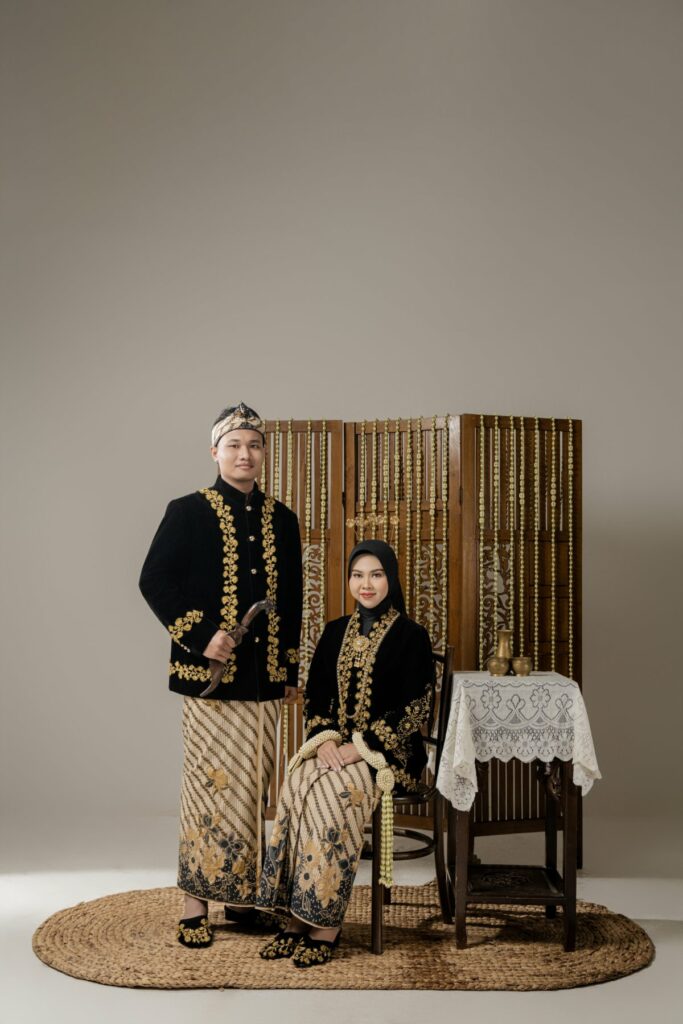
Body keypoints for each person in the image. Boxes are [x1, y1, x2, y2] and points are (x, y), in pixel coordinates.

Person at [139, 402, 303, 948]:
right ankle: (195, 903)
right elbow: (154, 580)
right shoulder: (186, 511)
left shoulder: (283, 519)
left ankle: (241, 898)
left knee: (254, 791)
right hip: (208, 680)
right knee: (207, 789)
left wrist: (289, 669)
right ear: (215, 452)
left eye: (254, 445)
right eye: (234, 445)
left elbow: (293, 600)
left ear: (264, 453)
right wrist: (202, 634)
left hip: (263, 681)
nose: (244, 454)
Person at [256, 539, 433, 968]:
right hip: (335, 748)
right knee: (298, 784)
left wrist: (363, 747)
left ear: (391, 579)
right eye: (357, 575)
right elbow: (317, 699)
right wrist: (327, 740)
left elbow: (415, 707)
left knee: (336, 796)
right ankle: (295, 916)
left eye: (376, 574)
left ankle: (324, 924)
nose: (366, 584)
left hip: (389, 756)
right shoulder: (335, 632)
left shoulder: (411, 636)